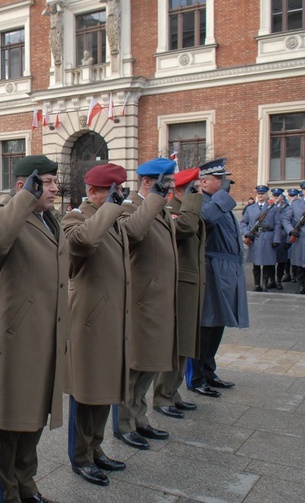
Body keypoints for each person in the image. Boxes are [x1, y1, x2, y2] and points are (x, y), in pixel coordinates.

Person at [0, 155, 69, 503]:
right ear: (23, 186)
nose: (55, 187)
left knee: (35, 421)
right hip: (15, 343)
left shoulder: (52, 220)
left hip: (47, 339)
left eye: (55, 182)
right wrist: (22, 201)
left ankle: (27, 487)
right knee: (9, 425)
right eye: (46, 182)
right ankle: (8, 496)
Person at [62, 163, 157, 486]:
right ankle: (80, 456)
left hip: (112, 318)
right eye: (111, 191)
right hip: (88, 321)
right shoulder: (76, 217)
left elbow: (138, 230)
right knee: (85, 391)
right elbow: (84, 242)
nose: (118, 196)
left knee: (104, 389)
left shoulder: (114, 220)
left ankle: (96, 448)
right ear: (93, 192)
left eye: (120, 190)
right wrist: (113, 208)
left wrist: (154, 199)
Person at [112, 158, 178, 450]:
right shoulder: (129, 207)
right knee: (135, 366)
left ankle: (140, 418)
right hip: (141, 301)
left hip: (160, 300)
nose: (171, 189)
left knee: (151, 363)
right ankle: (124, 423)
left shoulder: (161, 209)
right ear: (149, 183)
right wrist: (153, 200)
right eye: (167, 183)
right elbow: (132, 233)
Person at [187, 158, 249, 397]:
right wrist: (222, 197)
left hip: (225, 269)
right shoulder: (199, 201)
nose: (225, 183)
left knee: (218, 323)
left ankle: (209, 371)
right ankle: (197, 377)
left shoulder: (217, 202)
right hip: (209, 269)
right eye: (219, 179)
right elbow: (204, 220)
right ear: (203, 182)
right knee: (206, 324)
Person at [153, 168, 204, 420]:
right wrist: (193, 200)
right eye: (195, 188)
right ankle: (163, 394)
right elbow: (185, 228)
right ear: (182, 190)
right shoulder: (171, 208)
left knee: (185, 343)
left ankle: (173, 392)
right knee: (174, 344)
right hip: (177, 286)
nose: (199, 193)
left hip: (189, 285)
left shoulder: (186, 207)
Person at [241, 185, 281, 292]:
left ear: (267, 195)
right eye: (259, 194)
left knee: (267, 263)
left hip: (268, 236)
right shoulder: (250, 208)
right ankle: (257, 284)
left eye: (262, 194)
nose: (260, 196)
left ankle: (265, 284)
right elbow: (243, 223)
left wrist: (276, 239)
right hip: (255, 238)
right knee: (256, 263)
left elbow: (277, 224)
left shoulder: (273, 208)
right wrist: (246, 233)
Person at [271, 188, 290, 288]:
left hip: (282, 235)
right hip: (271, 235)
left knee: (281, 260)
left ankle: (278, 280)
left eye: (277, 196)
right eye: (274, 196)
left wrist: (288, 240)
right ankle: (271, 280)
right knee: (270, 260)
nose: (275, 198)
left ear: (282, 197)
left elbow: (288, 223)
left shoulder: (287, 208)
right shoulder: (269, 207)